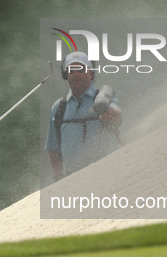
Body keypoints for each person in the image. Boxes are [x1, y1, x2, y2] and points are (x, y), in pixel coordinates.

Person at [45, 52, 122, 181]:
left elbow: (117, 114)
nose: (75, 74)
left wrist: (109, 113)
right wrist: (58, 176)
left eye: (80, 69)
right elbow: (53, 149)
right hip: (72, 178)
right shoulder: (58, 107)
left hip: (108, 171)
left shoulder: (103, 98)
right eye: (71, 71)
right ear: (66, 75)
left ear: (91, 73)